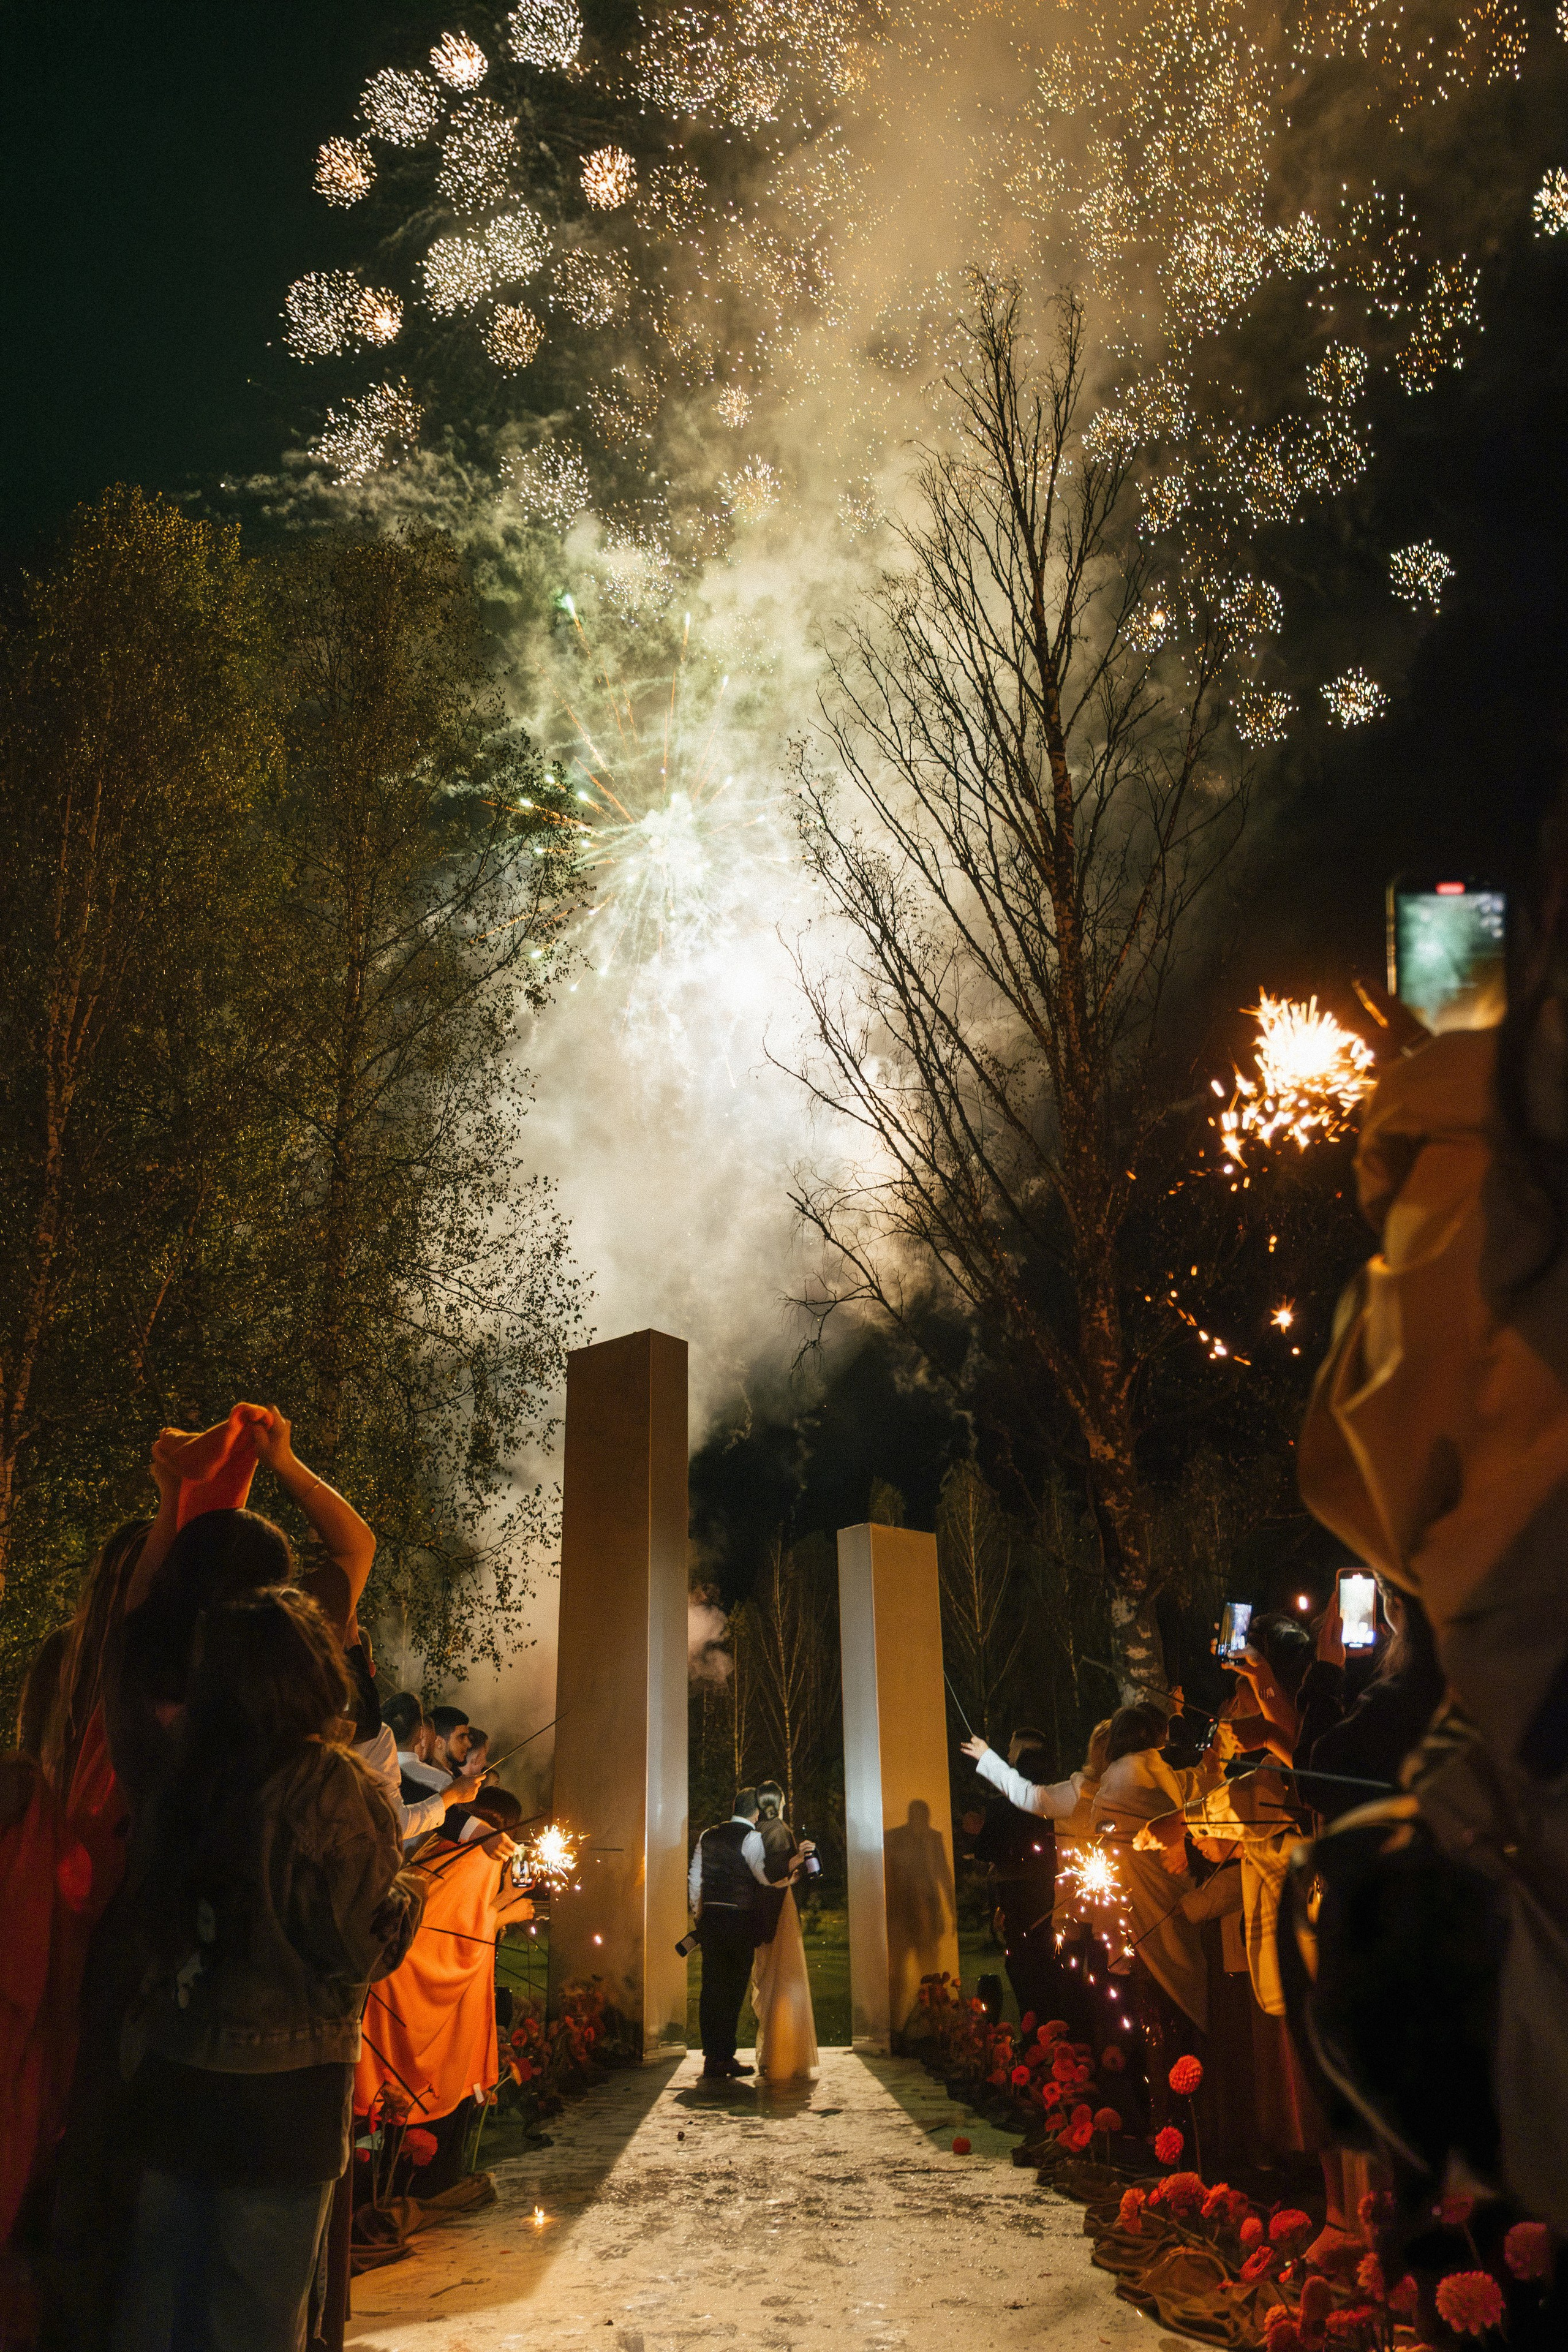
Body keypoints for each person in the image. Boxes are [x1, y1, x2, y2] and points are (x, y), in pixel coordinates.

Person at [112, 1585, 421, 2352]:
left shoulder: (183, 1776)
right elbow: (365, 1945)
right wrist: (408, 1891)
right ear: (310, 1671)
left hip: (175, 2070)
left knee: (161, 2303)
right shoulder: (329, 1786)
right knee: (252, 2314)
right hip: (284, 2093)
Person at [353, 1786, 534, 2195]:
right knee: (420, 2085)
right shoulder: (482, 1854)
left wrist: (506, 1898)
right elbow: (456, 1938)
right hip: (418, 1982)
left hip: (391, 1974)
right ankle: (415, 2185)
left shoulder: (443, 1841)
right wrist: (511, 1910)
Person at [687, 1789, 772, 2080]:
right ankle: (725, 2056)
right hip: (739, 1921)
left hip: (712, 1919)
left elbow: (696, 1879)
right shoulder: (752, 1839)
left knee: (711, 1989)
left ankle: (713, 2057)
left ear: (734, 1807)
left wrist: (698, 1914)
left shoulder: (707, 1836)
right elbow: (763, 1877)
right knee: (734, 1990)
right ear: (756, 1813)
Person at [748, 1783, 819, 2083]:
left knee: (773, 1979)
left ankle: (775, 2052)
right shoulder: (778, 1830)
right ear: (779, 1803)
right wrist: (799, 1862)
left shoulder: (756, 1831)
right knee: (785, 1979)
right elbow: (777, 1874)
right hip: (780, 1910)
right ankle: (784, 2053)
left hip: (765, 1908)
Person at [428, 1707, 471, 1777]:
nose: (469, 1744)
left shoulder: (457, 1776)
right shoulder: (430, 1780)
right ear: (439, 1742)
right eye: (461, 1737)